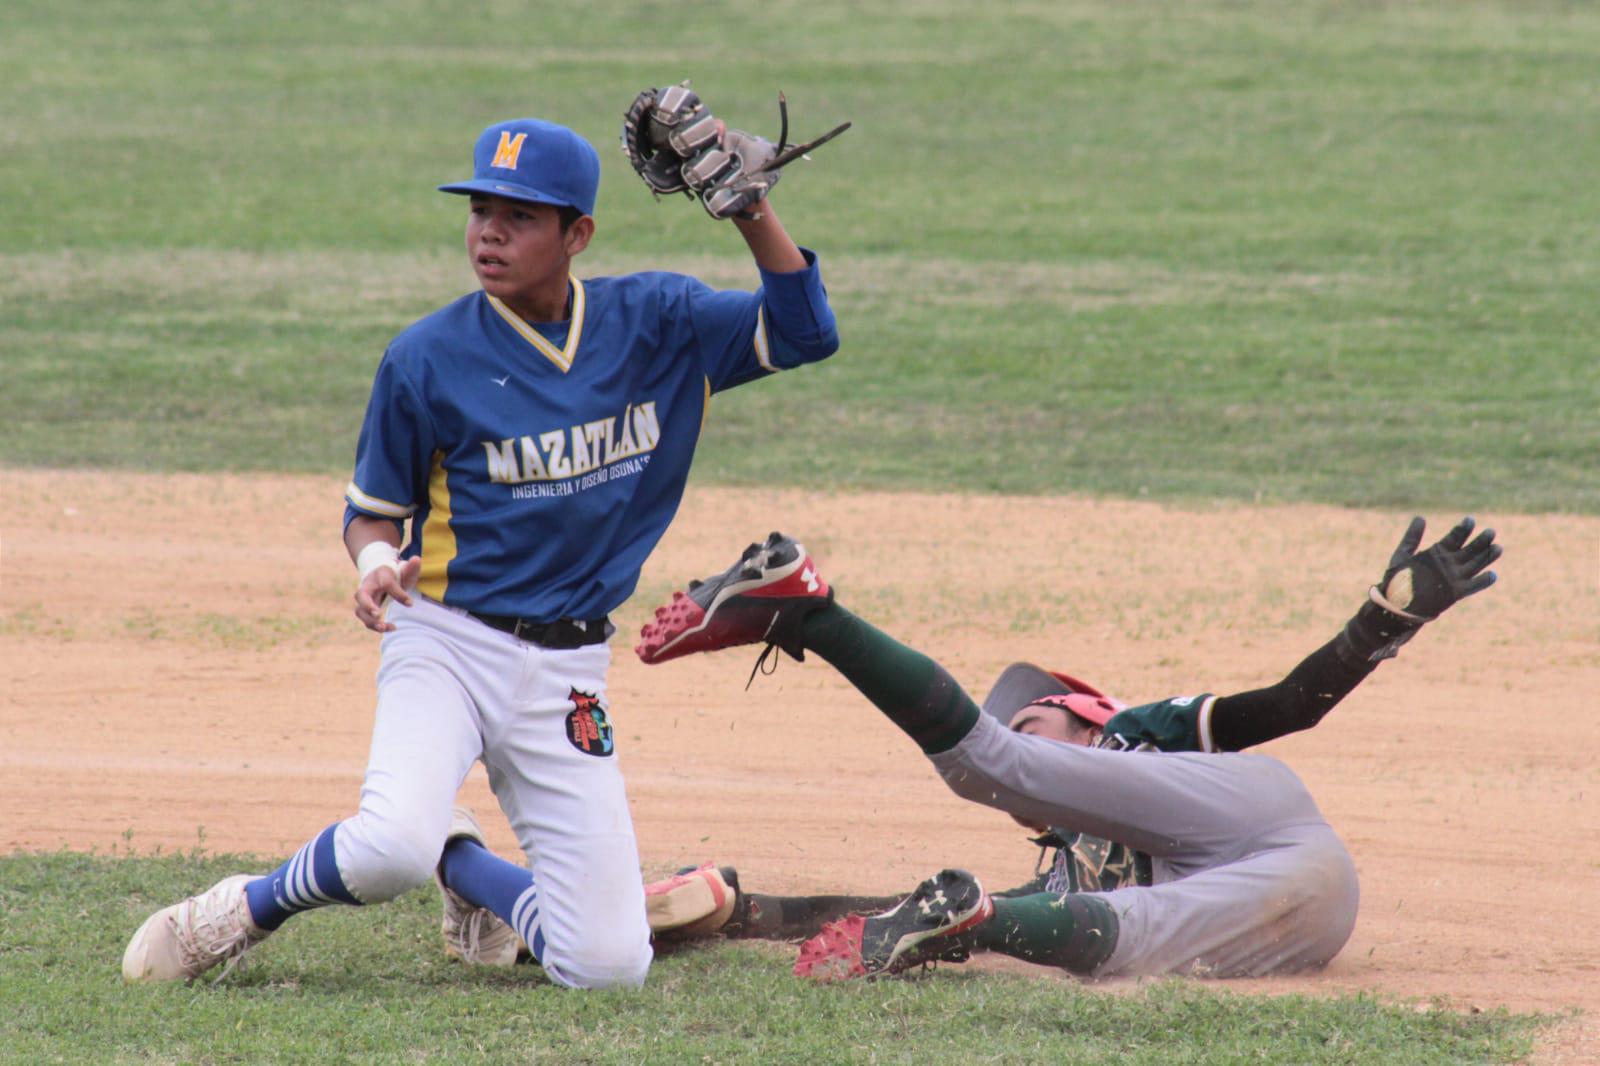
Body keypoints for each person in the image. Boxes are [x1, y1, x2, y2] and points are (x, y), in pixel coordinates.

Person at [121, 102, 841, 988]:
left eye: (519, 217)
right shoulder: (426, 357)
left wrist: (749, 213)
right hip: (447, 643)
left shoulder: (659, 321)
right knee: (384, 850)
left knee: (608, 966)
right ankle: (236, 912)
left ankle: (461, 865)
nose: (489, 235)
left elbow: (807, 334)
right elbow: (372, 508)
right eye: (478, 212)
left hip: (571, 672)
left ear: (577, 233)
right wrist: (377, 562)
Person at [633, 517, 1500, 980]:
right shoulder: (1056, 879)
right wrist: (747, 912)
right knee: (1129, 942)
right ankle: (977, 920)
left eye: (1032, 715)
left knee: (986, 768)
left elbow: (1286, 707)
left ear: (1086, 710)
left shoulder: (1141, 734)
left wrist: (1378, 626)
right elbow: (880, 912)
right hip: (1295, 905)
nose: (1017, 728)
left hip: (1255, 811)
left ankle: (808, 613)